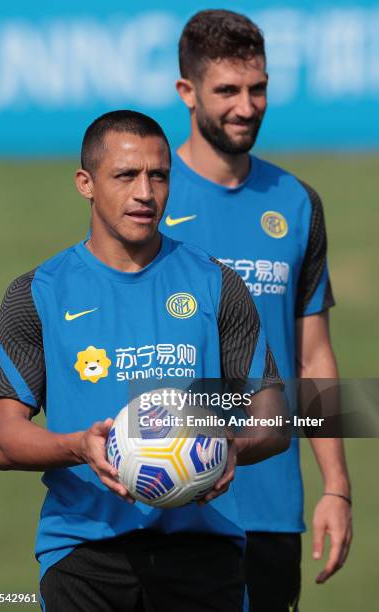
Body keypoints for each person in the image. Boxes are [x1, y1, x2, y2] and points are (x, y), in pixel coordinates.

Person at [0, 110, 288, 612]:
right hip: (83, 554)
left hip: (203, 552)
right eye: (126, 175)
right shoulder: (36, 293)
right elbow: (3, 440)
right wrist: (79, 446)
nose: (146, 193)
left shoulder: (216, 284)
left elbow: (273, 412)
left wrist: (233, 445)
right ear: (86, 183)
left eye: (159, 175)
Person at [160, 10, 352, 611]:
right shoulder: (147, 192)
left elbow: (312, 354)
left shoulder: (296, 203)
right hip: (168, 499)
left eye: (258, 88)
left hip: (271, 507)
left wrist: (337, 487)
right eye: (227, 91)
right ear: (187, 93)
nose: (247, 106)